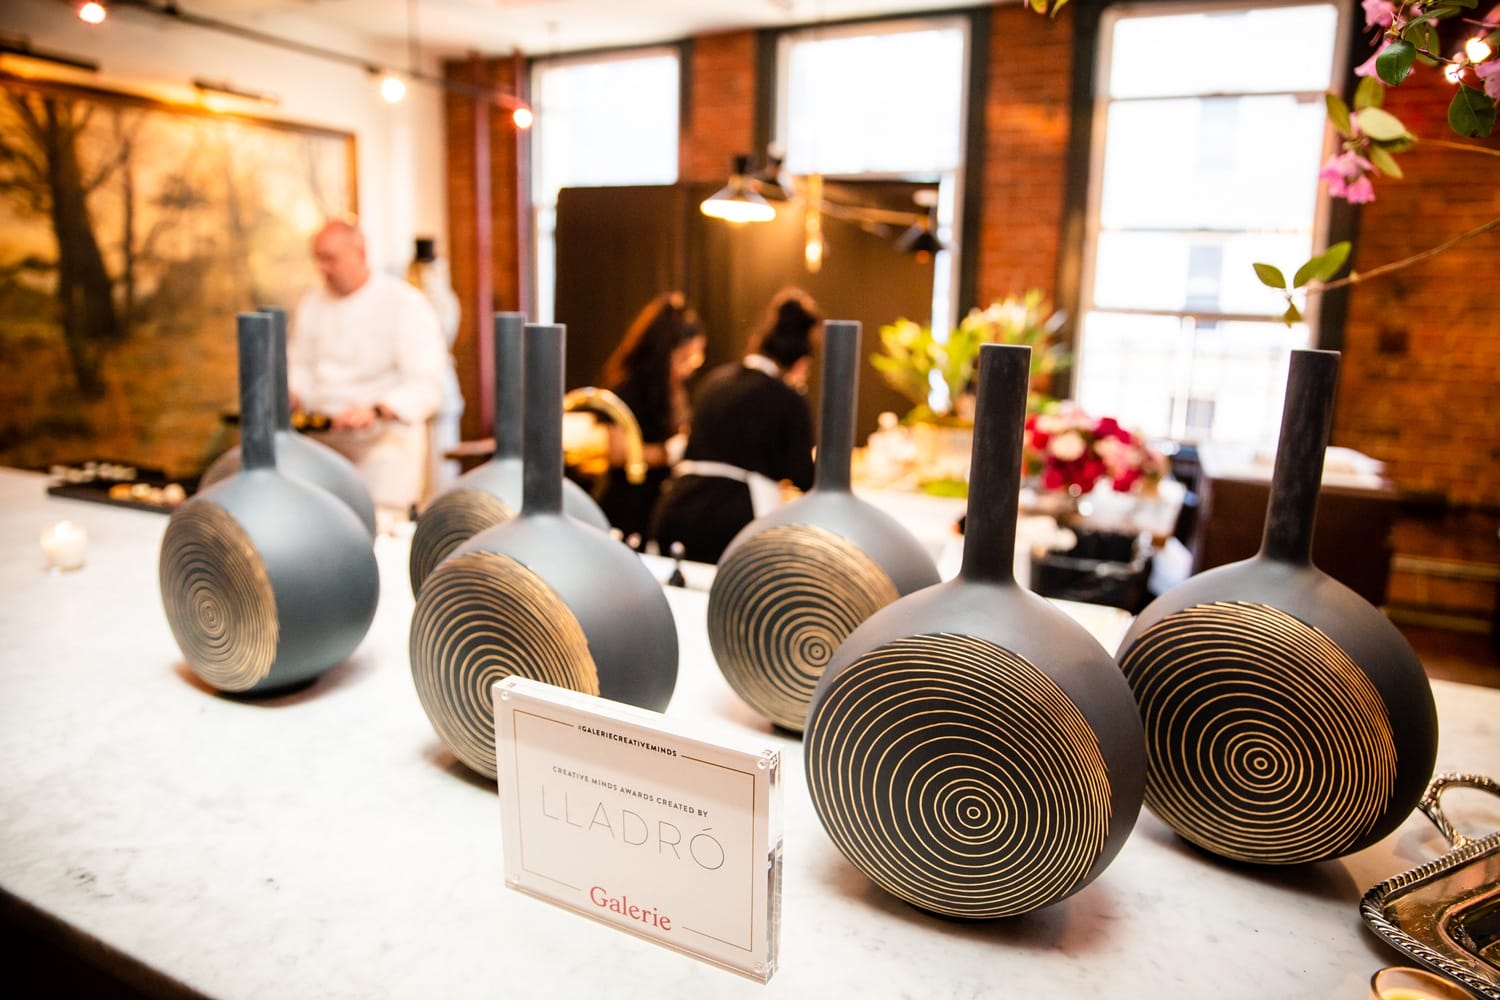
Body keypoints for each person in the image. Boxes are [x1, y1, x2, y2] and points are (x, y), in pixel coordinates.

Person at [288, 218, 448, 522]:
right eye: (317, 259)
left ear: (359, 253)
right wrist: (292, 393)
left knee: (377, 535)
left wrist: (376, 410)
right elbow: (300, 366)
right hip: (324, 446)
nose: (322, 268)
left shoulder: (405, 304)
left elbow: (426, 385)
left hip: (383, 449)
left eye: (330, 258)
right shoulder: (311, 304)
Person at [649, 289, 820, 563]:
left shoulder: (716, 380)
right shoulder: (789, 400)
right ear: (801, 361)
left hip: (677, 508)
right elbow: (804, 476)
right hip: (734, 519)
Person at [592, 292, 707, 542]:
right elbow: (619, 453)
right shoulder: (630, 387)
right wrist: (668, 452)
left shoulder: (677, 388)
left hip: (661, 501)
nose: (690, 366)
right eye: (686, 357)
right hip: (628, 503)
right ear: (667, 351)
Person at [405, 236, 465, 495]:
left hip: (439, 380)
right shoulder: (406, 291)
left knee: (441, 463)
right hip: (413, 385)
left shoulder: (442, 294)